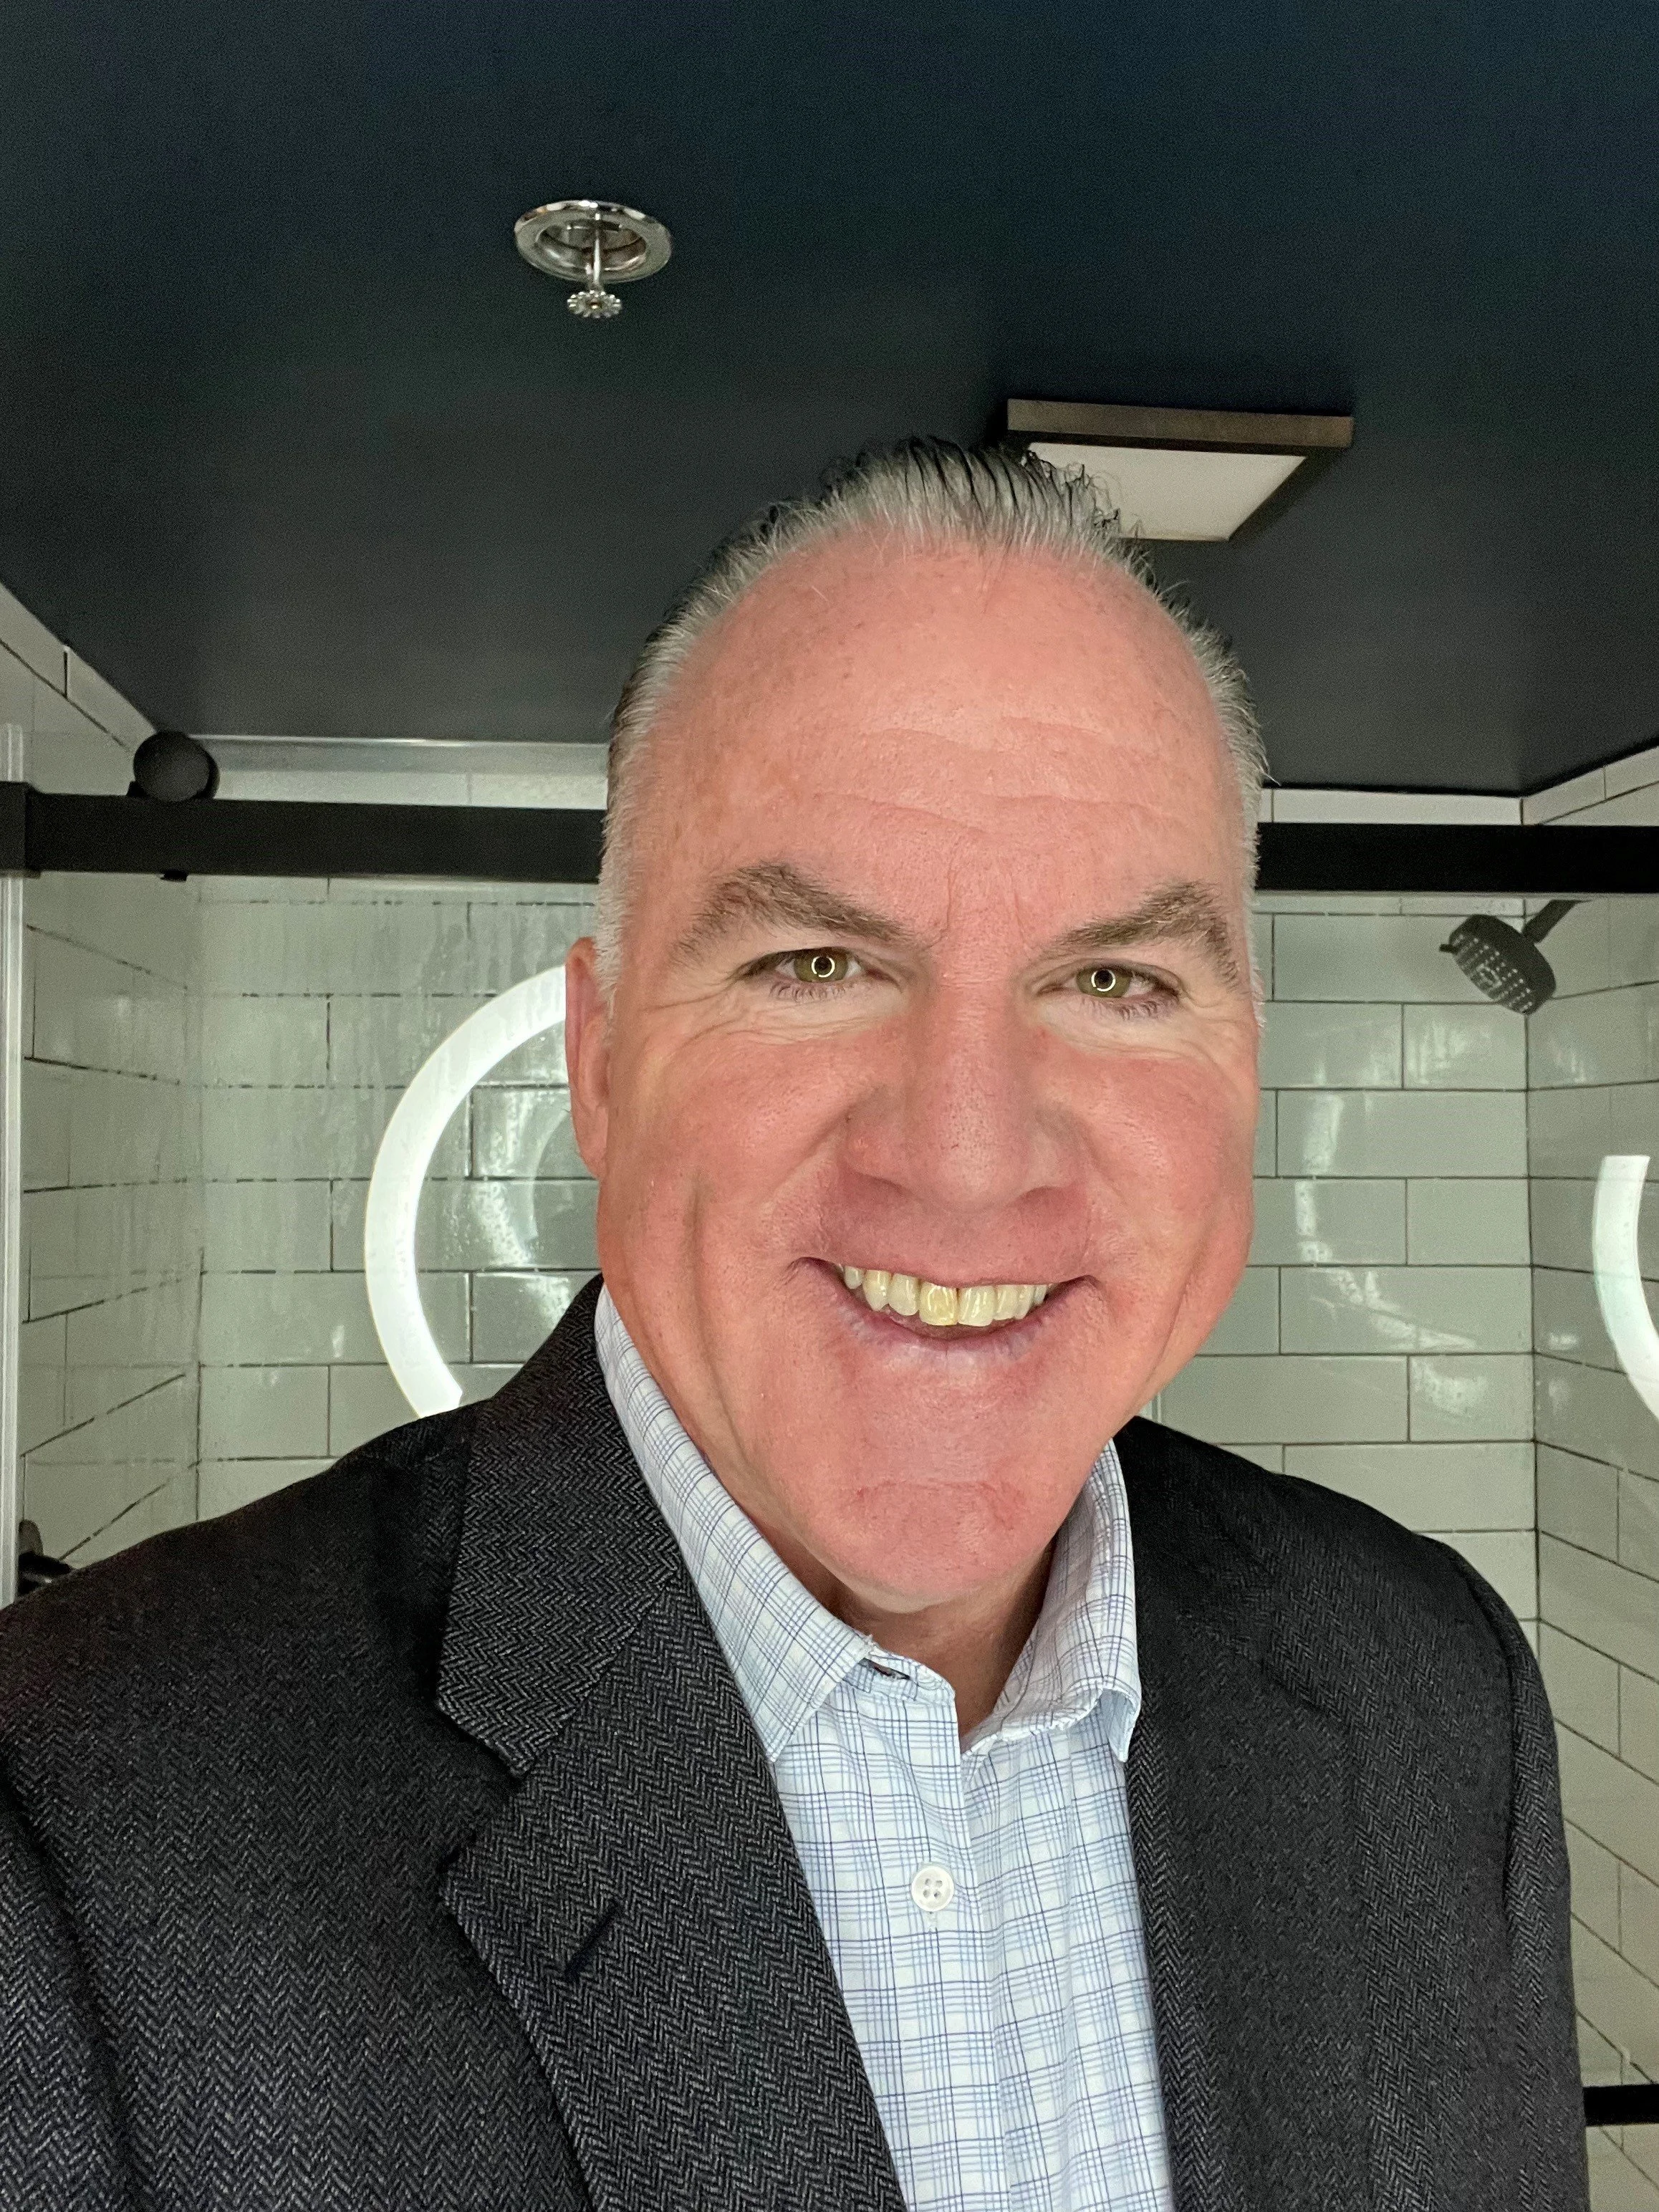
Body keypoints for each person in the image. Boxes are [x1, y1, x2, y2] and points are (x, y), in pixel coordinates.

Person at [0, 443, 1585, 2212]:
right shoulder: (79, 1821)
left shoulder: (1434, 1691)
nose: (969, 1157)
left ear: (1247, 1065)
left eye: (1117, 979)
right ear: (601, 1066)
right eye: (815, 965)